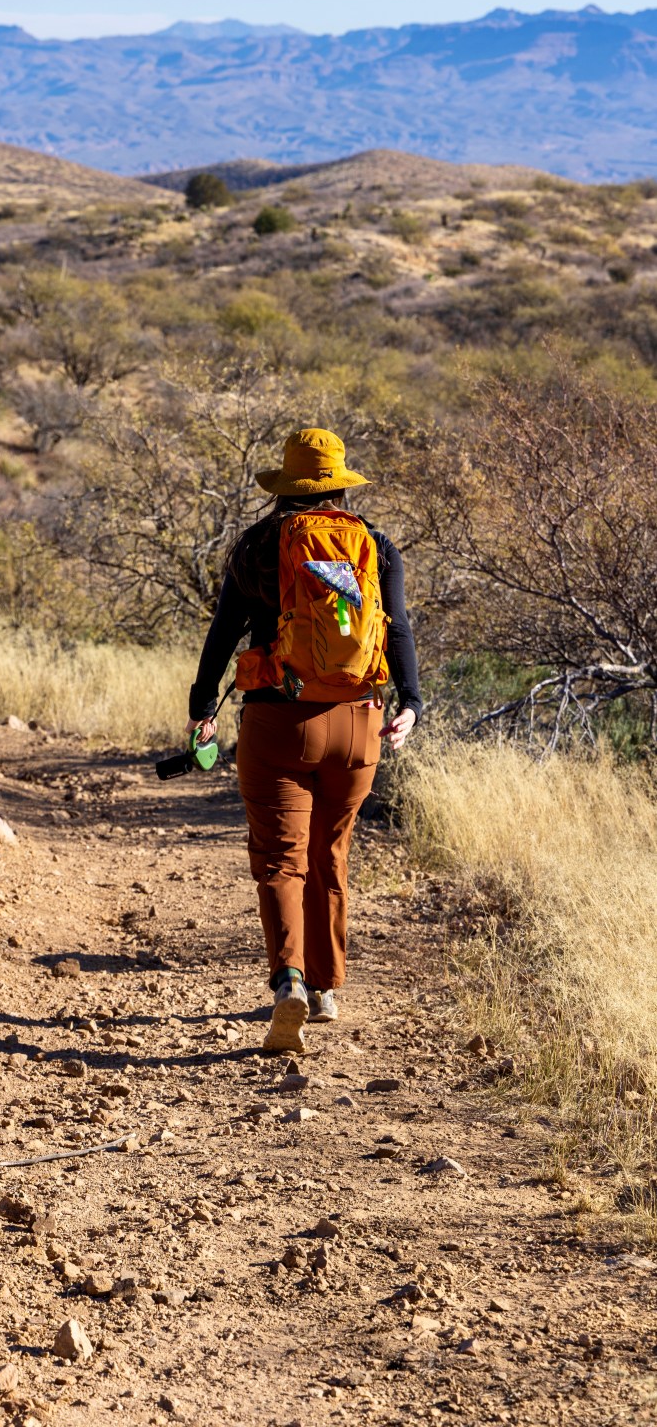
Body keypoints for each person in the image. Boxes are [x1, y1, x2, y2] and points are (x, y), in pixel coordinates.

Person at [186, 428, 422, 1054]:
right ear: (342, 484)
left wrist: (201, 707)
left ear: (284, 488)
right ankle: (326, 989)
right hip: (359, 725)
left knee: (280, 859)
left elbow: (222, 634)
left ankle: (288, 978)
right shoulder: (374, 544)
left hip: (278, 721)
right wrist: (412, 704)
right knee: (331, 854)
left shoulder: (260, 546)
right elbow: (396, 632)